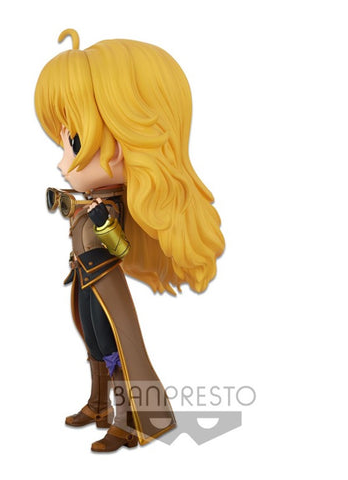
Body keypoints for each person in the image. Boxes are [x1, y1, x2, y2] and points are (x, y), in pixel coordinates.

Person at [35, 29, 225, 452]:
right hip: (84, 279)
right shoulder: (93, 199)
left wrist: (101, 222)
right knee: (91, 340)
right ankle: (98, 404)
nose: (63, 162)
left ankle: (125, 422)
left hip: (106, 282)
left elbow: (120, 249)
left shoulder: (112, 207)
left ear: (125, 142)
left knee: (114, 345)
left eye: (75, 142)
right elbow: (78, 221)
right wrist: (72, 207)